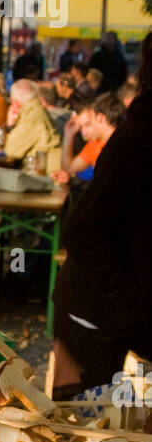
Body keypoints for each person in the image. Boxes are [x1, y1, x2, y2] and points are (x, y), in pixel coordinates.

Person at [51, 32, 152, 396]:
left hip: (127, 308)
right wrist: (129, 300)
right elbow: (81, 230)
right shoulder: (137, 139)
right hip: (94, 313)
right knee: (79, 436)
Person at [54, 92, 125, 185]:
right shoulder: (97, 144)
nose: (84, 132)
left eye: (90, 122)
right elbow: (69, 168)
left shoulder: (115, 147)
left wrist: (73, 181)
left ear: (100, 118)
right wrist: (69, 134)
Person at [3, 79, 60, 172]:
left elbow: (11, 151)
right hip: (42, 169)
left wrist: (10, 126)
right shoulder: (36, 111)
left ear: (15, 102)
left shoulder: (32, 118)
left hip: (43, 174)